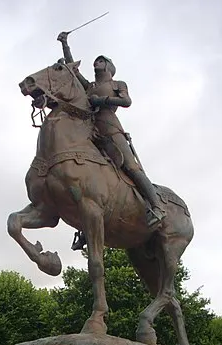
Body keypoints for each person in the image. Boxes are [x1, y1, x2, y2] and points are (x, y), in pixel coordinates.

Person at [57, 32, 165, 250]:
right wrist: (65, 44)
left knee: (130, 167)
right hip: (91, 133)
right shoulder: (89, 87)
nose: (96, 62)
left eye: (101, 60)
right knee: (84, 175)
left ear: (108, 67)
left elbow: (127, 101)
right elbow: (72, 69)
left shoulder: (117, 83)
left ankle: (156, 207)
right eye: (96, 60)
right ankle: (84, 228)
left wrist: (103, 100)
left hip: (111, 130)